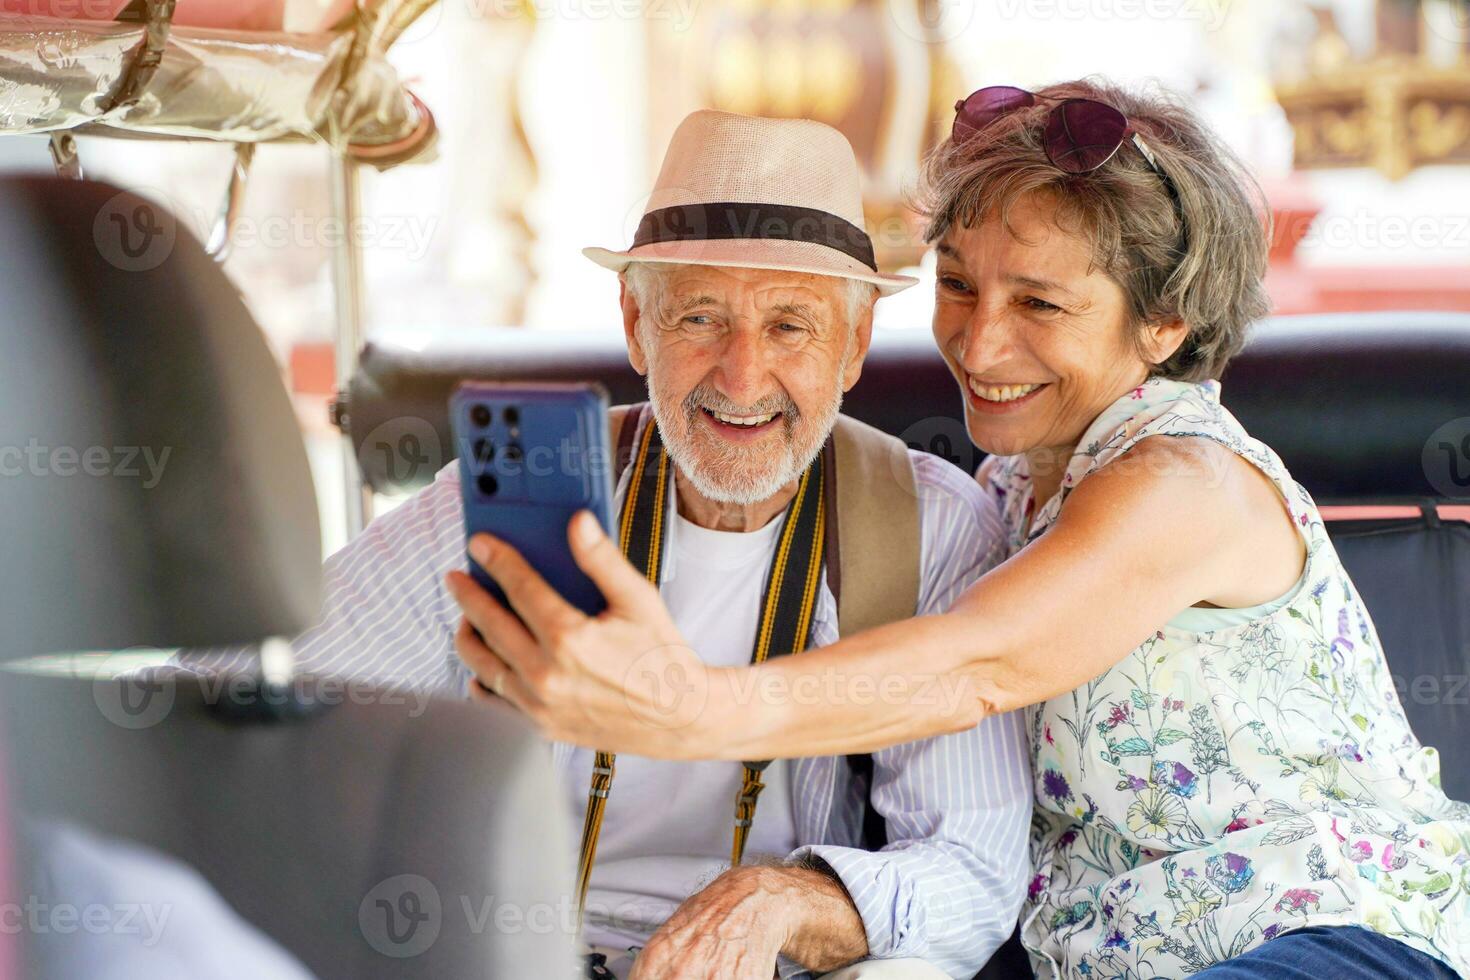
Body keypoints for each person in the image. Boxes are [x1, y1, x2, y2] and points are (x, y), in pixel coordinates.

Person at [453, 81, 1470, 979]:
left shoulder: (1183, 478)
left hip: (1331, 936)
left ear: (1163, 322)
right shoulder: (1009, 486)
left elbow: (973, 665)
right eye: (956, 284)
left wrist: (685, 709)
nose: (979, 342)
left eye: (1039, 301)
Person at [179, 110, 1032, 980]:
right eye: (700, 318)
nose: (742, 377)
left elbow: (973, 875)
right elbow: (239, 693)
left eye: (789, 326)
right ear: (636, 323)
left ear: (852, 346)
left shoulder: (931, 529)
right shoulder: (513, 501)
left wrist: (782, 902)